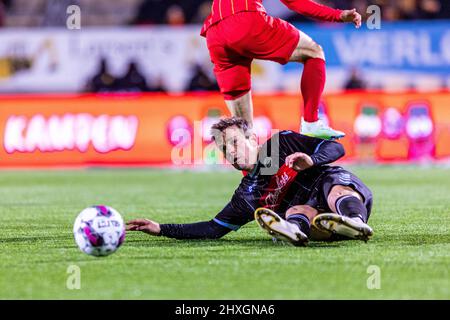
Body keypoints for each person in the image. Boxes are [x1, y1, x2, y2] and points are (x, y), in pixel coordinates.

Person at [127, 117, 374, 246]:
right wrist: (161, 229)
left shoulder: (281, 144)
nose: (231, 152)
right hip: (316, 217)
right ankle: (294, 231)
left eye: (234, 142)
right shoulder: (245, 197)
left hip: (329, 183)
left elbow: (334, 148)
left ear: (253, 139)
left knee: (335, 190)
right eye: (224, 148)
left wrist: (311, 159)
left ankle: (355, 222)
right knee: (298, 212)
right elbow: (212, 229)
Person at [200, 0, 362, 139]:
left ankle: (254, 176)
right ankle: (311, 123)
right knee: (314, 52)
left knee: (244, 131)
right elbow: (295, 2)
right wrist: (337, 15)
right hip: (245, 19)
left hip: (215, 34)